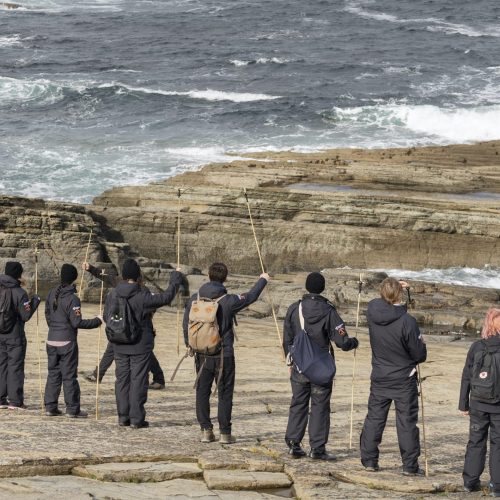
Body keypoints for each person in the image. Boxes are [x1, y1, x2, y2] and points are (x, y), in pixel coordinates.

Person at [183, 262, 269, 444]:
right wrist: (263, 280)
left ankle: (206, 431)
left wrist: (190, 345)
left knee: (202, 392)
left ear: (208, 275)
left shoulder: (194, 299)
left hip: (201, 354)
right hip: (224, 355)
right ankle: (225, 434)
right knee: (224, 393)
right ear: (225, 278)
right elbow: (251, 296)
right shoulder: (228, 301)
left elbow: (186, 325)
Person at [283, 271, 358, 460]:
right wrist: (353, 343)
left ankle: (293, 443)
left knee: (298, 403)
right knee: (320, 407)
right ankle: (317, 448)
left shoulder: (294, 308)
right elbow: (342, 342)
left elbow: (287, 340)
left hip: (299, 366)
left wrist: (289, 360)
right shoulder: (329, 311)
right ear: (322, 288)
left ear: (307, 287)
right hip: (321, 368)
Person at [103, 258, 183, 428]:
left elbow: (106, 317)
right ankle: (136, 419)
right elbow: (167, 297)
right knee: (138, 381)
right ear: (138, 275)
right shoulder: (142, 295)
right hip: (140, 346)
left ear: (123, 275)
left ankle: (123, 417)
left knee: (122, 380)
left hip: (118, 344)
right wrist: (176, 277)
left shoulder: (112, 294)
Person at [360, 277, 427, 475]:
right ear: (397, 295)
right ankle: (409, 466)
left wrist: (395, 289)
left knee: (375, 419)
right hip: (403, 378)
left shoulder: (373, 311)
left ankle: (370, 461)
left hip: (380, 375)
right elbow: (419, 355)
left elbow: (381, 303)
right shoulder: (407, 321)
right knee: (406, 423)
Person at [82, 262, 166, 389]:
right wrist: (91, 269)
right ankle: (159, 378)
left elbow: (151, 310)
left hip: (136, 329)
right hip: (122, 326)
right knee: (117, 349)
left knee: (124, 350)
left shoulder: (142, 290)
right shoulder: (120, 283)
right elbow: (107, 277)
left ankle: (98, 374)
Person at [44, 264, 102, 418]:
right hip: (67, 343)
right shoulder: (73, 299)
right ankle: (72, 409)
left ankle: (50, 407)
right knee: (69, 376)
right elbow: (77, 322)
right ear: (73, 279)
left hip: (51, 340)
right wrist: (97, 320)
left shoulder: (51, 293)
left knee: (53, 374)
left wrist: (56, 329)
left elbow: (48, 316)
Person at [459, 307, 500, 496]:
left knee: (475, 441)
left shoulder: (477, 346)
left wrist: (463, 404)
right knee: (498, 444)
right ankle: (496, 486)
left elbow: (466, 376)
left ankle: (469, 481)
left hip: (477, 402)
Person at [0, 261, 40, 410]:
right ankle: (15, 401)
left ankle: (0, 399)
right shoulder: (20, 292)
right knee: (15, 367)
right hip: (15, 335)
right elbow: (25, 315)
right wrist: (35, 301)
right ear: (18, 274)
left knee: (1, 365)